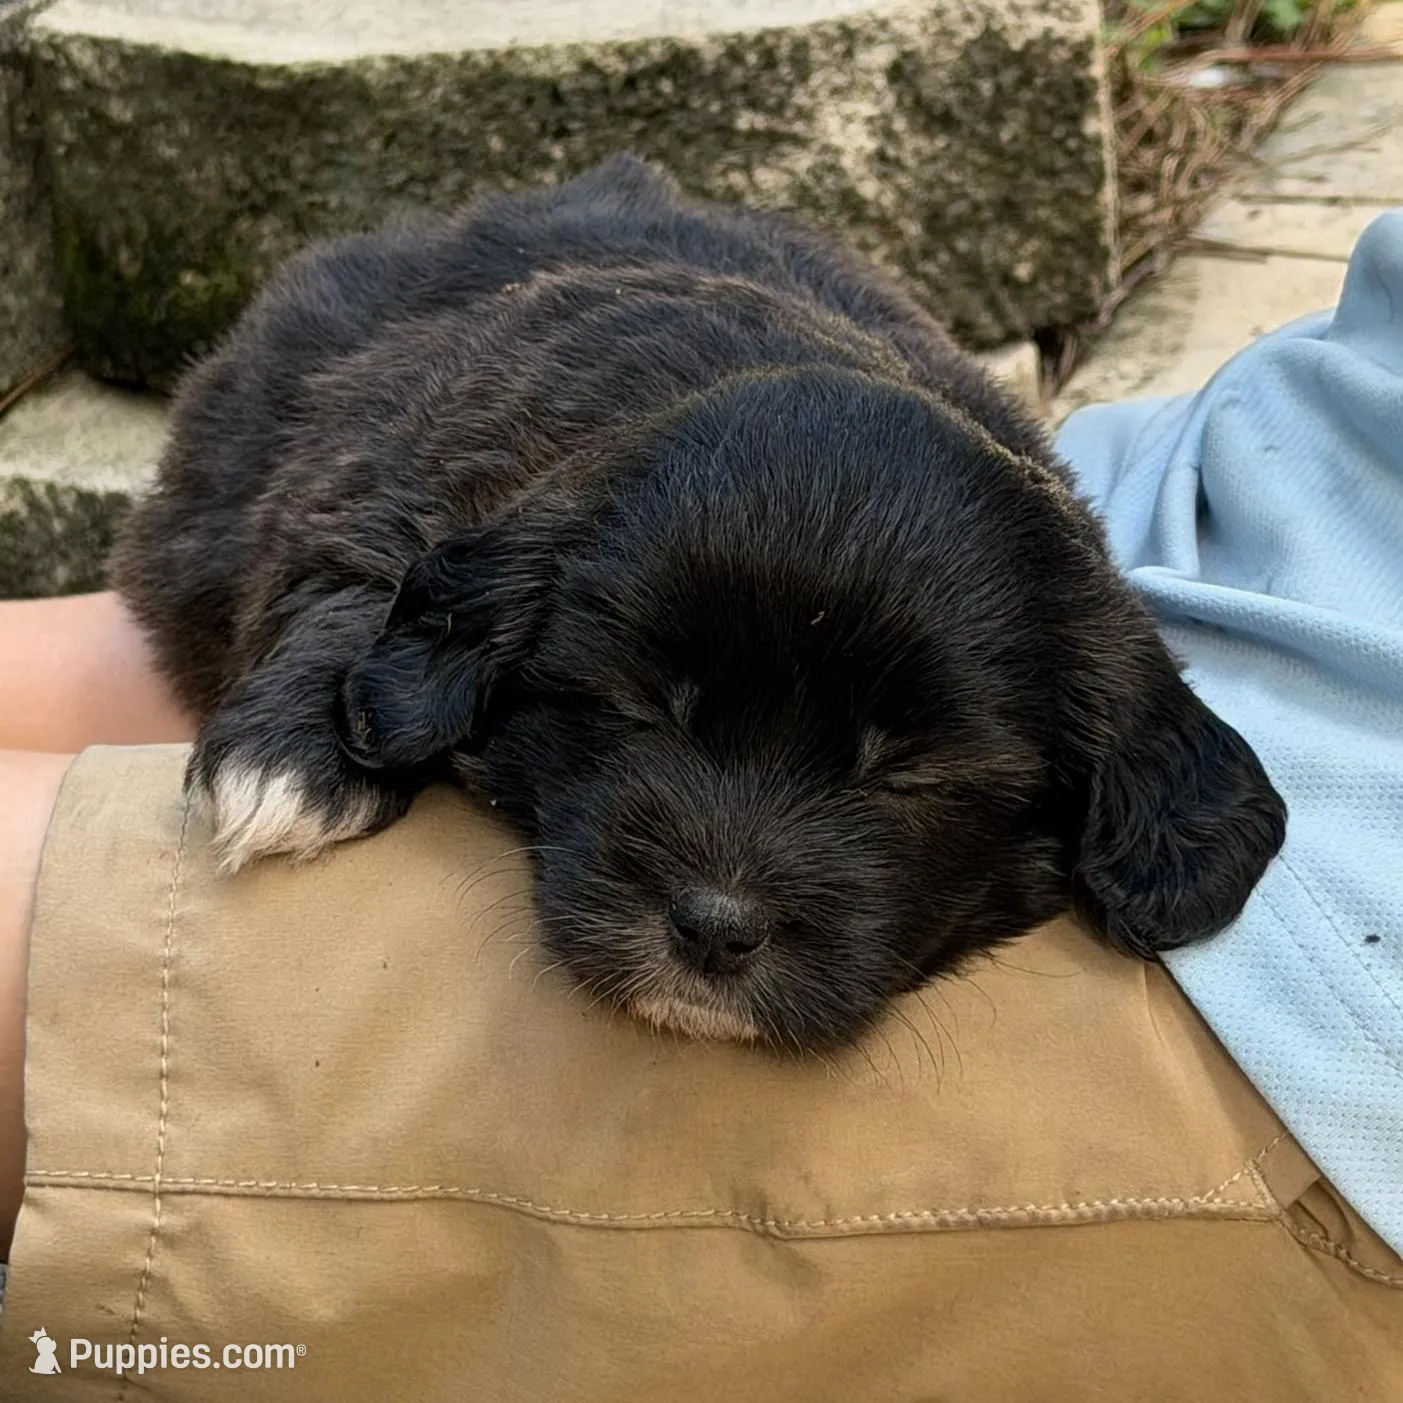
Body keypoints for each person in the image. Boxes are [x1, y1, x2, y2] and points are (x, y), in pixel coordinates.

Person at [2, 208, 1403, 1396]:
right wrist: (331, 661)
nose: (722, 892)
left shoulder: (1073, 685)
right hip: (1174, 480)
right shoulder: (523, 527)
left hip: (1323, 995)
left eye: (902, 777)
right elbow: (403, 547)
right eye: (639, 713)